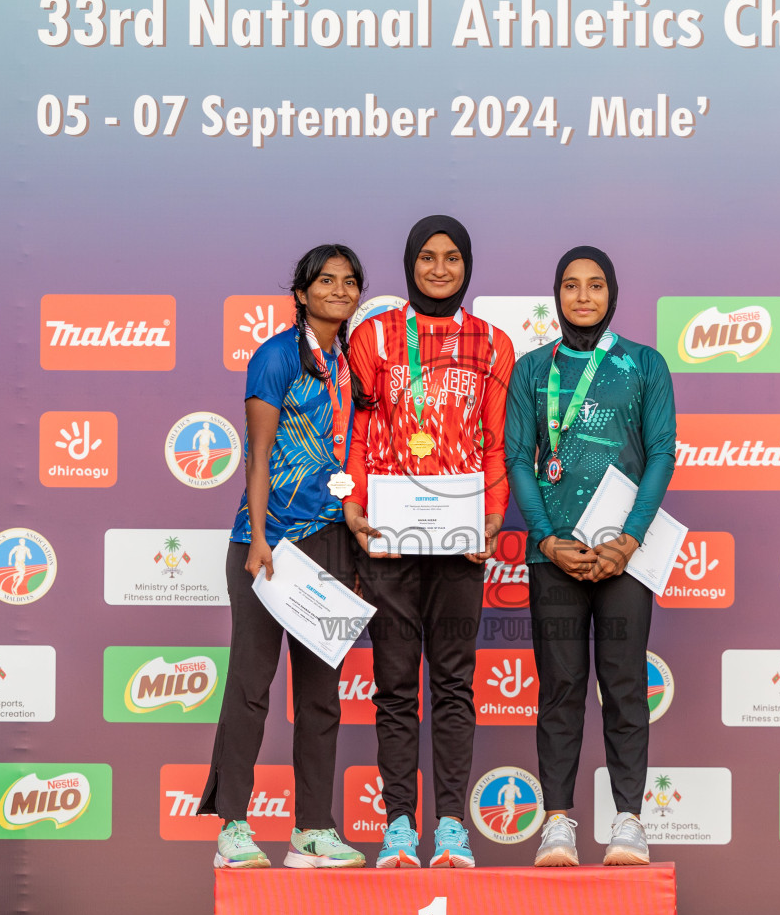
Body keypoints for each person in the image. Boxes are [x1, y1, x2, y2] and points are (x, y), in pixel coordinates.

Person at [343, 215, 513, 868]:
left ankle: (449, 827)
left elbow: (496, 443)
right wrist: (352, 503)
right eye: (427, 258)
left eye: (451, 258)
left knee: (452, 684)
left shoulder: (494, 345)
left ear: (467, 264)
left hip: (461, 544)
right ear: (409, 263)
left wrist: (493, 519)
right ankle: (398, 827)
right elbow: (355, 434)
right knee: (392, 687)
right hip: (388, 539)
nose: (439, 269)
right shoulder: (373, 338)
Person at [198, 244, 369, 870]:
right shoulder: (275, 357)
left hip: (330, 541)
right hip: (266, 543)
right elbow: (259, 453)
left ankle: (313, 832)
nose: (339, 290)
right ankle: (234, 828)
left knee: (322, 695)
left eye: (350, 282)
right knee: (249, 685)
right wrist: (262, 533)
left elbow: (346, 451)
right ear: (301, 292)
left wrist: (351, 517)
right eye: (325, 280)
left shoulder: (353, 361)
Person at [504, 246, 676, 867]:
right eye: (571, 286)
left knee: (625, 685)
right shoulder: (529, 372)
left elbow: (661, 453)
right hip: (556, 558)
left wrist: (628, 539)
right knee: (560, 688)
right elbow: (519, 460)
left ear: (612, 294)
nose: (583, 296)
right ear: (556, 295)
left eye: (595, 285)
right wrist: (548, 538)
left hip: (623, 557)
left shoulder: (644, 365)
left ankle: (628, 820)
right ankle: (557, 822)